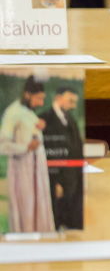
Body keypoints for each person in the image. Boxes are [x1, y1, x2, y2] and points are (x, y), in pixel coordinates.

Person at [0, 78, 55, 233]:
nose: (41, 103)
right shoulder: (12, 113)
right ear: (27, 95)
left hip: (37, 173)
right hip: (21, 172)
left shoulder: (30, 113)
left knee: (39, 210)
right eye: (39, 98)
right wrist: (26, 147)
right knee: (26, 211)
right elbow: (3, 146)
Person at [39, 86, 83, 230]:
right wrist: (55, 182)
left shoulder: (71, 120)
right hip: (56, 182)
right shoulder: (45, 119)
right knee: (55, 221)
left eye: (75, 102)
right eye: (70, 101)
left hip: (74, 181)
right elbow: (46, 153)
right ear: (58, 98)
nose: (74, 106)